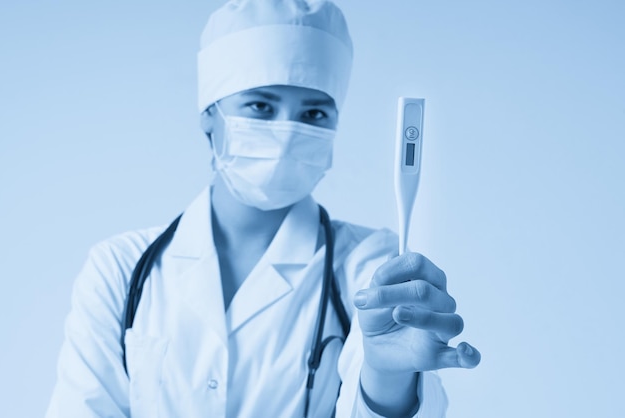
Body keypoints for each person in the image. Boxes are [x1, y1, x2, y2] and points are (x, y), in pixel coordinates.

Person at [45, 1, 481, 417]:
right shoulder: (120, 269)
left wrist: (387, 378)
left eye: (313, 114)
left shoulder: (371, 267)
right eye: (260, 105)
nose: (287, 132)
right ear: (209, 114)